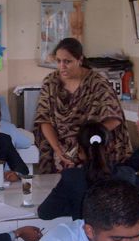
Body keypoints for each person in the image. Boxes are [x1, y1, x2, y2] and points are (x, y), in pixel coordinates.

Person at [34, 38, 132, 174]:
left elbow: (114, 118)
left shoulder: (97, 83)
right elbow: (44, 119)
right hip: (59, 150)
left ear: (80, 60)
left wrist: (85, 141)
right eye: (58, 61)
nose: (62, 66)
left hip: (90, 148)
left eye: (67, 61)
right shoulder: (50, 83)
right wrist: (57, 149)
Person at [37, 121, 134, 220]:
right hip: (117, 230)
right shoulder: (127, 175)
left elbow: (45, 213)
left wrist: (74, 205)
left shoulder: (72, 178)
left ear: (80, 151)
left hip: (84, 230)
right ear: (110, 147)